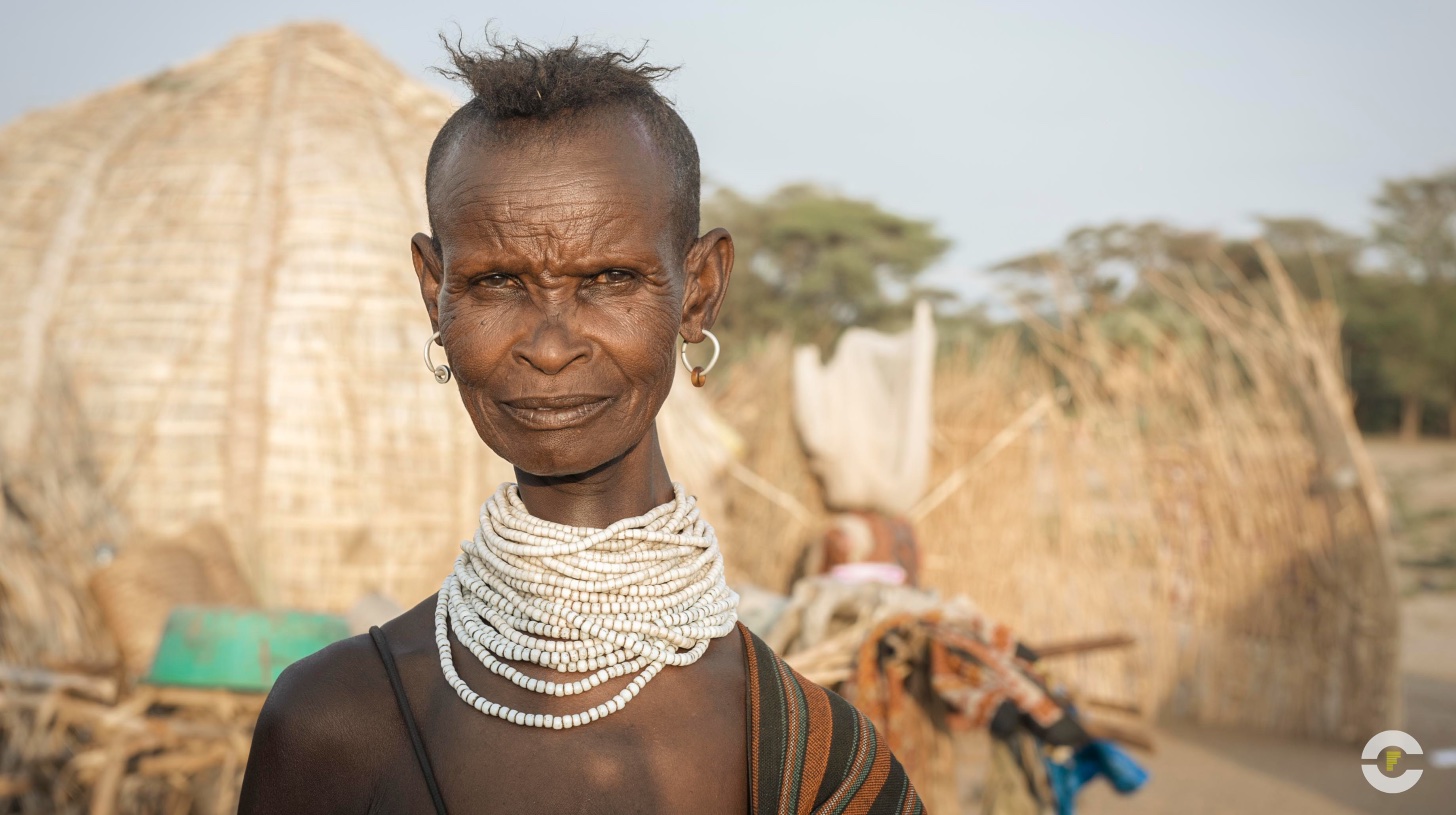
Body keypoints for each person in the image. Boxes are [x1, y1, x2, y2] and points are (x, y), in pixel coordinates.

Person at [238, 36, 923, 815]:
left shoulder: (823, 763)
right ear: (435, 295)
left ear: (698, 288)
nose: (552, 344)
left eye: (609, 279)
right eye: (496, 281)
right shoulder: (334, 722)